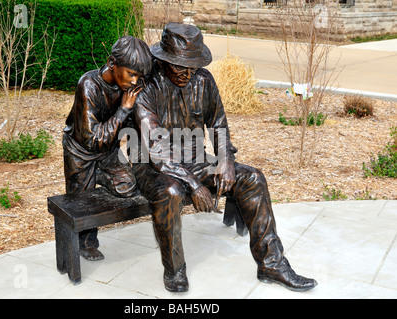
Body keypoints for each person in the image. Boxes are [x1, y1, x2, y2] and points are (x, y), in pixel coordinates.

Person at [131, 23, 317, 292]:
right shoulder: (146, 88)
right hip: (152, 167)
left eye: (192, 66)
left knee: (252, 177)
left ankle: (272, 264)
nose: (187, 73)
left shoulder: (203, 80)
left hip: (194, 159)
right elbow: (156, 149)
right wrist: (194, 184)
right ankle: (175, 268)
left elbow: (218, 124)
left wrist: (225, 160)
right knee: (171, 192)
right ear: (163, 59)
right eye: (180, 66)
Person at [63, 36, 152, 261]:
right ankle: (86, 243)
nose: (135, 81)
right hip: (80, 151)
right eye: (131, 74)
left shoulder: (129, 88)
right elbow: (91, 140)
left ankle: (102, 173)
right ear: (112, 63)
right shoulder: (88, 85)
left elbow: (132, 128)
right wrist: (123, 110)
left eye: (139, 76)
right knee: (81, 203)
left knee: (127, 188)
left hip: (108, 151)